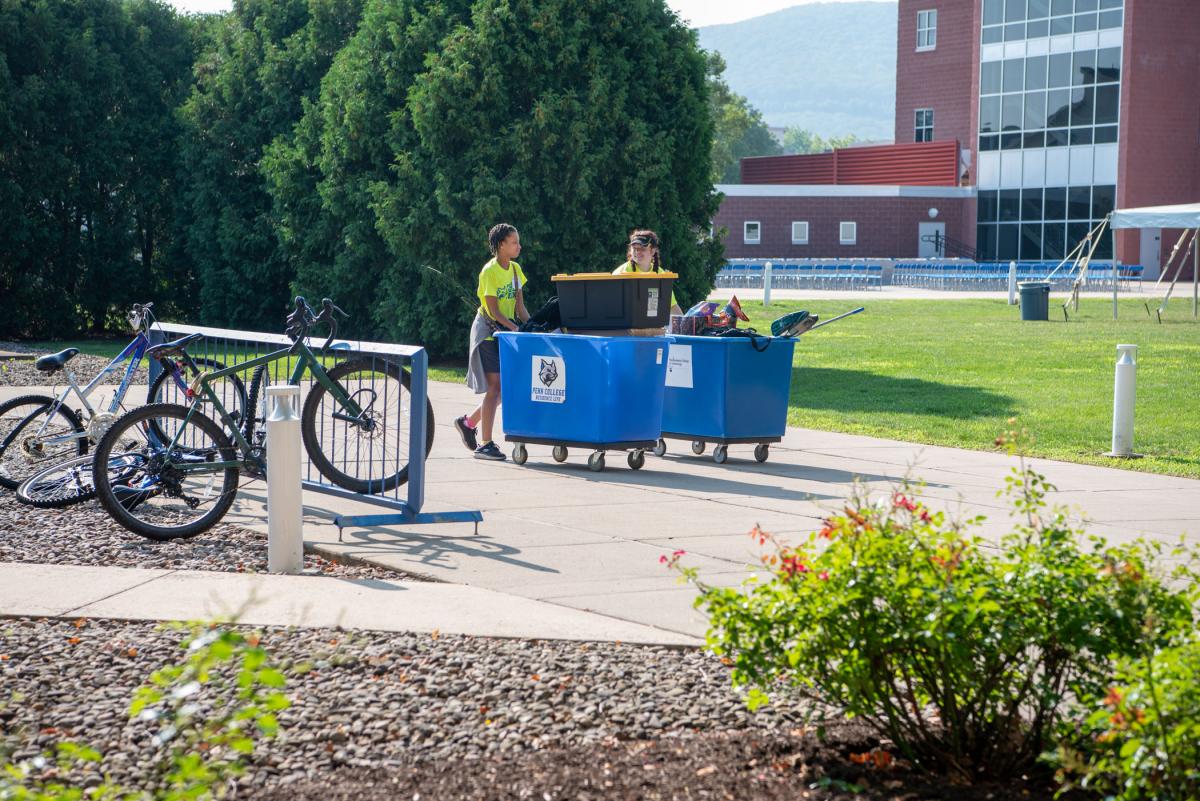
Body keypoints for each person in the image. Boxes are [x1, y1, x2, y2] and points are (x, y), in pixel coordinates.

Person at [455, 223, 529, 460]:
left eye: (518, 241)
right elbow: (493, 310)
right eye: (514, 242)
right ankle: (485, 444)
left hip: (505, 333)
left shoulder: (516, 270)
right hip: (488, 333)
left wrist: (532, 326)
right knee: (495, 387)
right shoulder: (489, 271)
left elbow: (520, 308)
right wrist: (514, 327)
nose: (519, 246)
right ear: (501, 245)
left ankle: (468, 423)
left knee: (505, 389)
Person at [612, 228, 682, 315]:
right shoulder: (620, 273)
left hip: (653, 325)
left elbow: (672, 306)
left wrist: (685, 325)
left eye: (642, 248)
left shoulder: (661, 275)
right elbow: (612, 306)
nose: (637, 252)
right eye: (634, 248)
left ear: (652, 251)